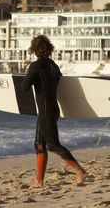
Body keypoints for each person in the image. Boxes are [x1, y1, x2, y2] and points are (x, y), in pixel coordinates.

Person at [22, 35, 87, 188]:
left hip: (45, 111)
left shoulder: (36, 66)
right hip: (52, 108)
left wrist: (29, 76)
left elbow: (24, 88)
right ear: (48, 49)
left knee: (53, 145)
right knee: (39, 144)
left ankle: (80, 172)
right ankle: (38, 180)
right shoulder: (54, 66)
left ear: (34, 50)